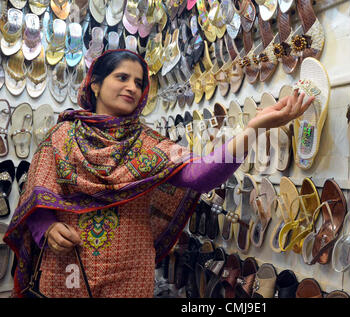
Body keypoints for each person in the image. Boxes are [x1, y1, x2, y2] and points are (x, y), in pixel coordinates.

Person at [3, 49, 314, 298]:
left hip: (129, 272)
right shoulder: (61, 136)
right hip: (68, 267)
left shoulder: (148, 143)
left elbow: (202, 176)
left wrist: (253, 128)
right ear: (94, 83)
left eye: (139, 83)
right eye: (121, 77)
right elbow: (36, 194)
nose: (132, 88)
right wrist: (46, 227)